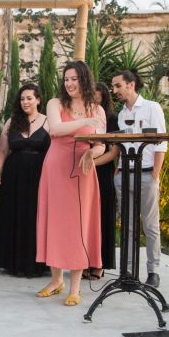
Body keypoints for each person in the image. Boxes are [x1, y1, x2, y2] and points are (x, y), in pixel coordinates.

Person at [36, 61, 106, 306]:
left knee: (78, 225)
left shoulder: (97, 110)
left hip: (82, 169)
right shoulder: (55, 103)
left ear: (84, 80)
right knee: (55, 222)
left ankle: (75, 288)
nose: (69, 83)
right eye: (66, 79)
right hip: (56, 166)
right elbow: (55, 130)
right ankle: (56, 280)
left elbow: (101, 144)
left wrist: (92, 153)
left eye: (74, 79)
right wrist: (85, 123)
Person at [111, 69, 167, 288]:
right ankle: (127, 271)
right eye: (113, 86)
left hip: (146, 173)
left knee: (150, 225)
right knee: (128, 225)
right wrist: (118, 169)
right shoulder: (122, 114)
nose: (114, 90)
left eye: (118, 85)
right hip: (125, 174)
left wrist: (155, 174)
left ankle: (154, 271)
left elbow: (161, 142)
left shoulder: (152, 107)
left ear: (131, 84)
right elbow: (122, 144)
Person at [0, 84, 51, 277]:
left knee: (35, 216)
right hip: (13, 176)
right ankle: (12, 262)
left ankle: (36, 264)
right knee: (13, 215)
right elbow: (3, 150)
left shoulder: (48, 122)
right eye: (22, 99)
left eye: (29, 98)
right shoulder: (12, 122)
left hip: (39, 175)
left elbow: (54, 152)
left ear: (38, 100)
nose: (25, 102)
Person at [88, 82, 120, 279]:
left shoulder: (112, 119)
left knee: (103, 216)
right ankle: (84, 261)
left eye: (96, 96)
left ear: (104, 97)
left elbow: (114, 152)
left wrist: (91, 164)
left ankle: (100, 263)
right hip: (84, 171)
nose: (92, 99)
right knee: (86, 218)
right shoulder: (82, 117)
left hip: (102, 170)